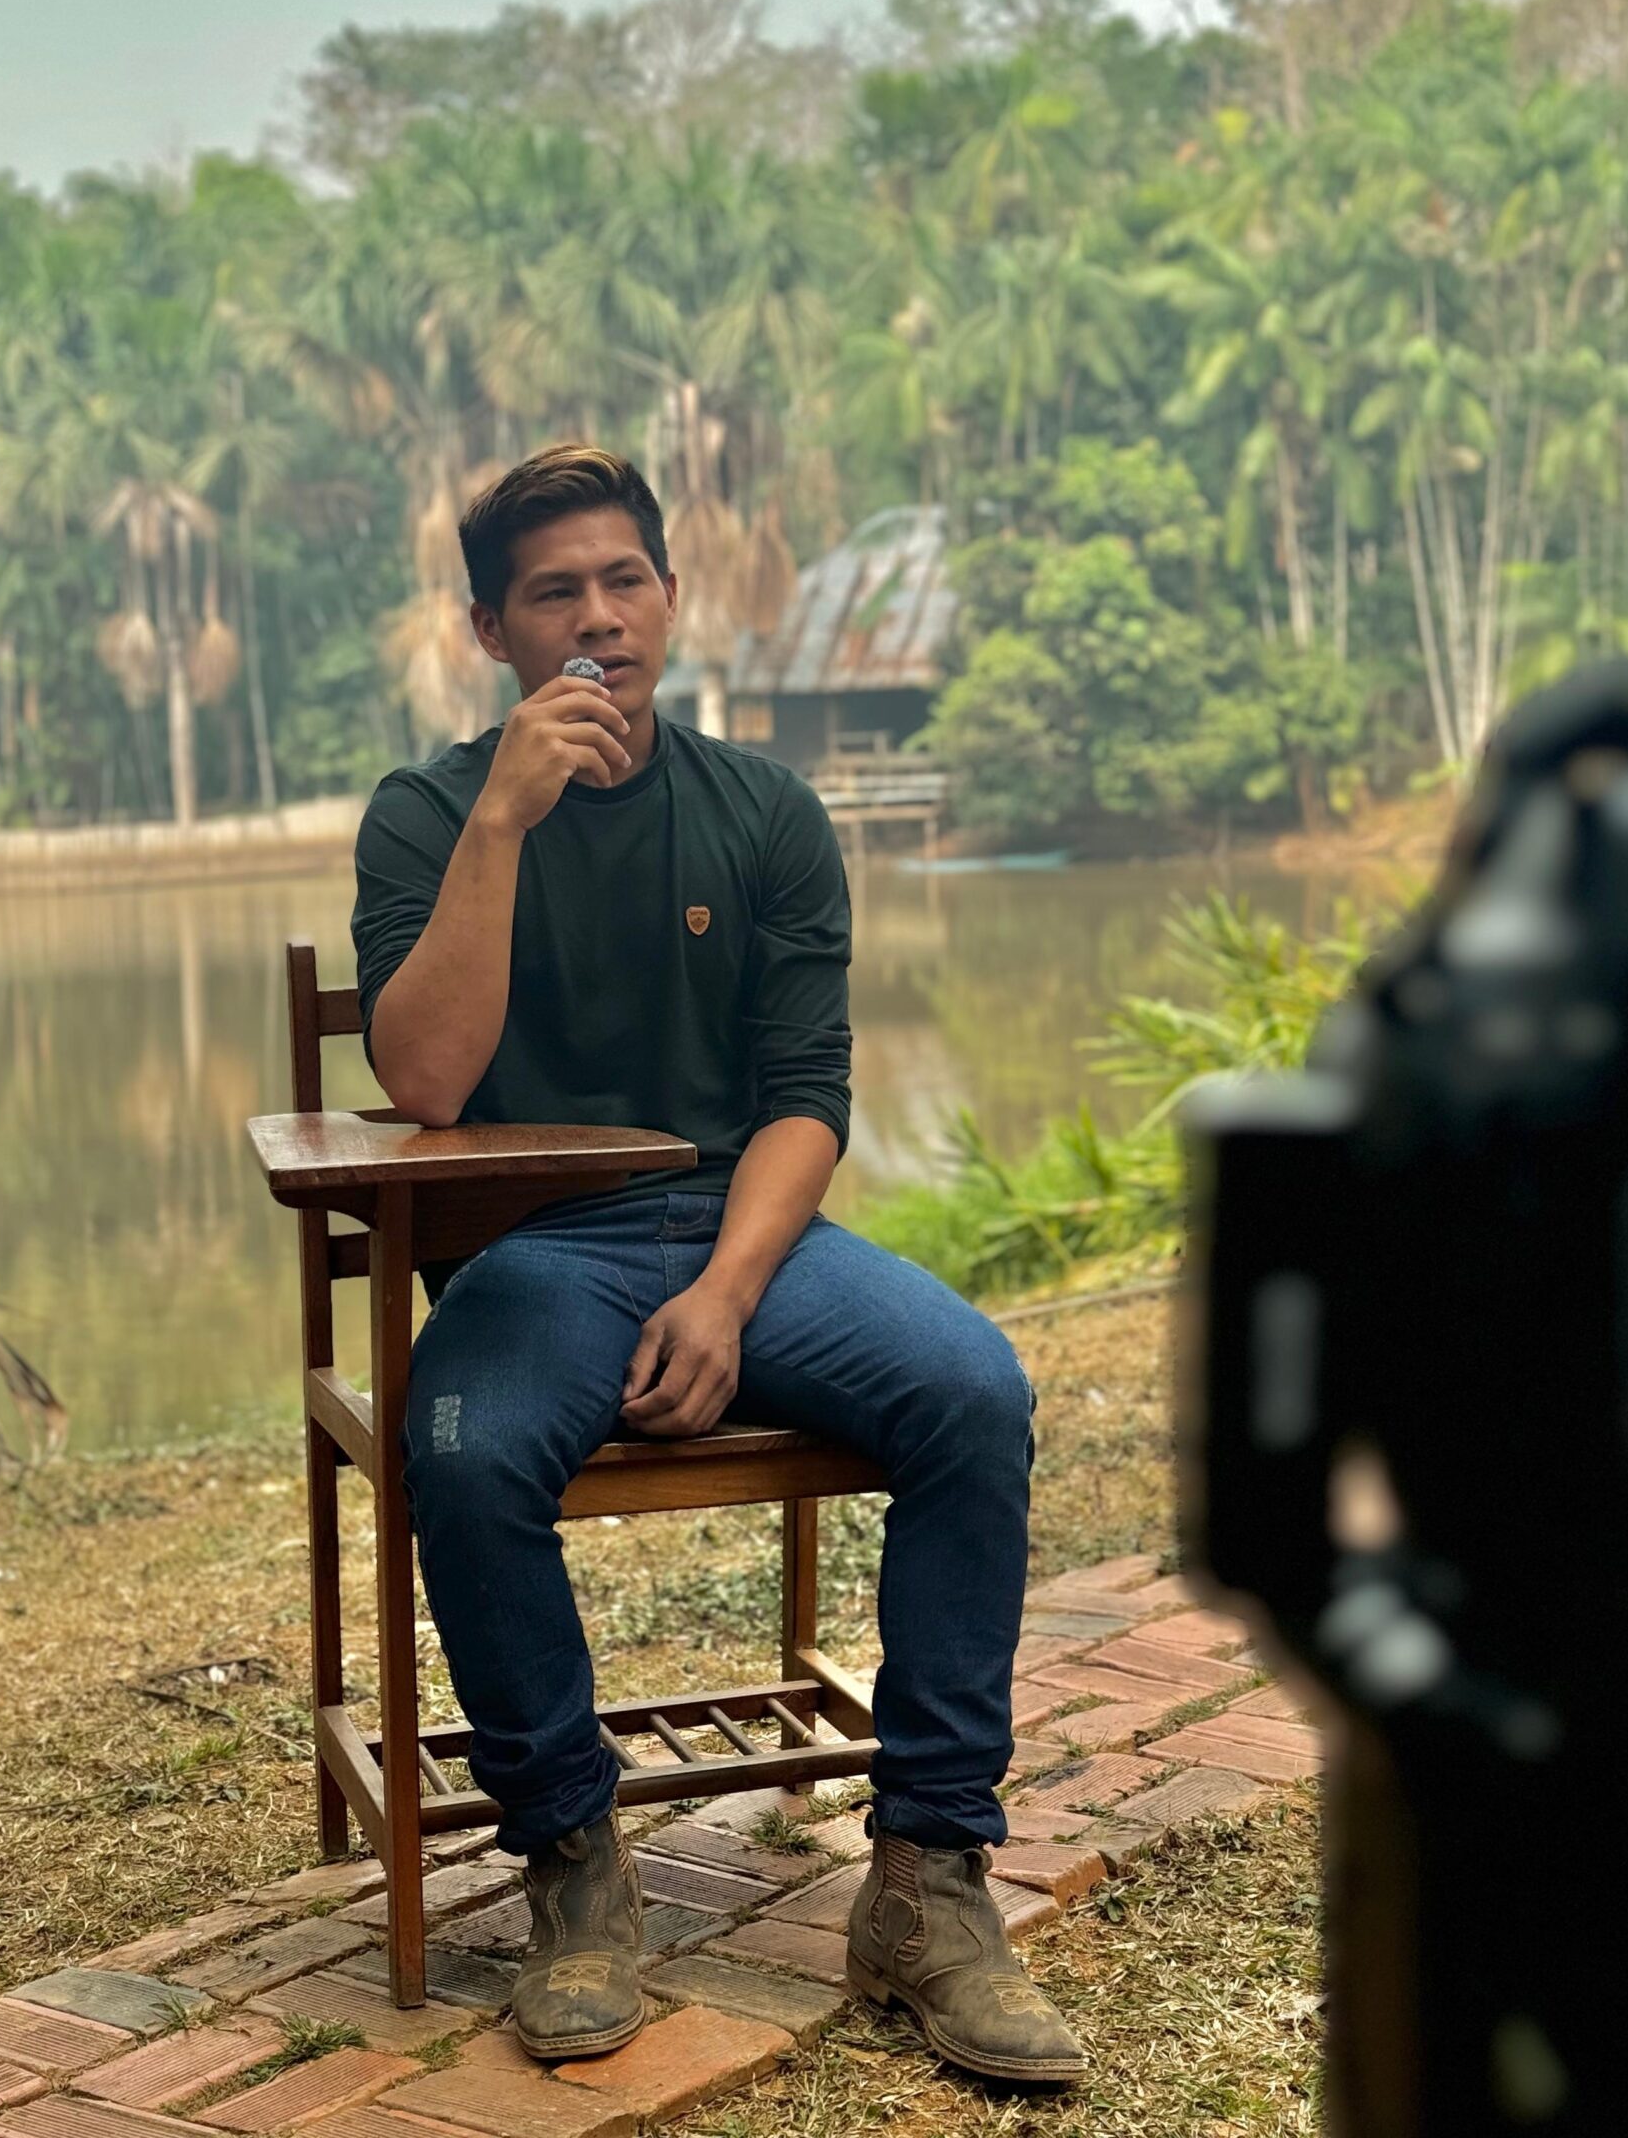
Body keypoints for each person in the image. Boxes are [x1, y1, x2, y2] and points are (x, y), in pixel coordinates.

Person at [352, 446, 1083, 2084]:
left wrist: (730, 1292)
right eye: (554, 594)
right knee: (461, 1449)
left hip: (749, 1235)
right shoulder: (426, 816)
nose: (597, 620)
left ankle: (929, 1880)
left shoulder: (765, 814)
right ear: (492, 630)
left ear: (672, 601)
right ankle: (574, 1863)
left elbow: (807, 1099)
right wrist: (505, 822)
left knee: (975, 1391)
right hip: (535, 1255)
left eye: (625, 580)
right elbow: (426, 1085)